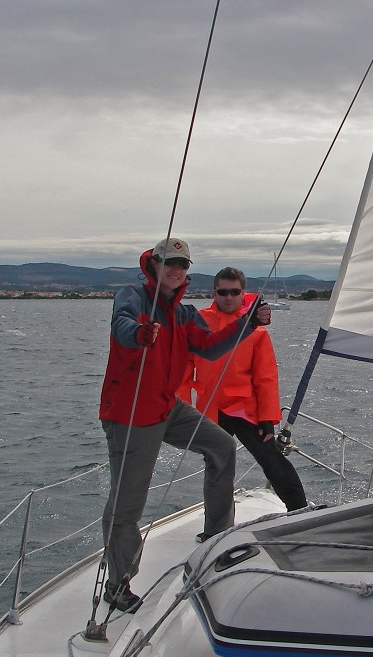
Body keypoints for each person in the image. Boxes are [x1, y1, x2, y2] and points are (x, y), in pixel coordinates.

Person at [98, 238, 271, 612]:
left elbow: (209, 346)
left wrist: (248, 324)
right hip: (132, 413)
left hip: (166, 406)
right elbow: (122, 324)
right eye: (170, 262)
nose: (177, 270)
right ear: (154, 264)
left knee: (222, 445)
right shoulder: (133, 297)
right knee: (128, 504)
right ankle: (117, 584)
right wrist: (140, 334)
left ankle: (217, 536)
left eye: (183, 264)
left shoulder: (183, 313)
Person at [179, 267, 308, 512]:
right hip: (211, 410)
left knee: (272, 461)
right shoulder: (198, 323)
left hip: (246, 410)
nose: (228, 297)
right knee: (217, 468)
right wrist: (182, 411)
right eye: (223, 292)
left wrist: (268, 418)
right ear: (214, 293)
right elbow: (183, 370)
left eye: (234, 292)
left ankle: (299, 510)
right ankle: (217, 523)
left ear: (242, 293)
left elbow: (266, 377)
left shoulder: (256, 330)